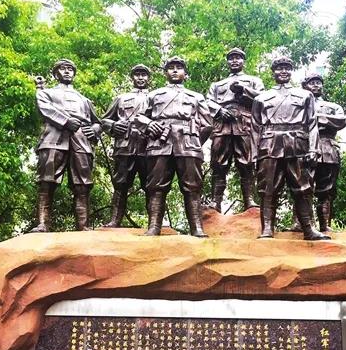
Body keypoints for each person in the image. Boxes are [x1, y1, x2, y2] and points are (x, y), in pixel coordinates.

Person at [134, 56, 213, 237]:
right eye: (171, 68)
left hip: (188, 142)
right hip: (159, 142)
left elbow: (207, 125)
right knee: (156, 186)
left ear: (185, 73)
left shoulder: (196, 97)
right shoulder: (154, 95)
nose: (175, 70)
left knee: (192, 186)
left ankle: (197, 228)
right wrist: (149, 124)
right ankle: (154, 227)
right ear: (165, 73)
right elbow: (139, 117)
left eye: (179, 67)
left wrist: (194, 142)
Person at [252, 56, 325, 240]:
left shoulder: (305, 95)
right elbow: (255, 128)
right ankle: (267, 229)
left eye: (287, 68)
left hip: (297, 144)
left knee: (303, 187)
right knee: (268, 188)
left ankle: (308, 229)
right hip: (269, 144)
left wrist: (314, 149)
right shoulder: (261, 98)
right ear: (273, 72)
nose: (283, 71)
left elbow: (312, 124)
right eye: (279, 68)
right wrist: (253, 155)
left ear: (291, 71)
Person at [31, 59, 102, 232]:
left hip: (81, 138)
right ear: (56, 74)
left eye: (70, 69)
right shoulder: (47, 93)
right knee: (46, 181)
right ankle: (43, 224)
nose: (67, 71)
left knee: (83, 184)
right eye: (63, 69)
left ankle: (83, 226)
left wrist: (94, 130)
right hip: (54, 136)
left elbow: (97, 122)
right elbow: (44, 108)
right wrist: (65, 120)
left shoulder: (84, 100)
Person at [206, 48, 265, 212]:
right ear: (227, 61)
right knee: (218, 162)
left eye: (238, 58)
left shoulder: (253, 81)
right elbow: (207, 102)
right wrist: (219, 110)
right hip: (222, 124)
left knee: (246, 162)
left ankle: (249, 200)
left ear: (243, 61)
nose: (234, 61)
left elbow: (263, 99)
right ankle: (215, 201)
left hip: (244, 122)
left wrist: (244, 90)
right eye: (231, 58)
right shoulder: (217, 85)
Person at [290, 73, 346, 236]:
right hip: (304, 147)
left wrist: (317, 118)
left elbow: (341, 121)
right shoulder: (298, 105)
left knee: (327, 189)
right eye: (312, 82)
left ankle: (325, 225)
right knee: (302, 186)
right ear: (304, 86)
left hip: (328, 148)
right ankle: (299, 223)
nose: (316, 85)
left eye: (318, 82)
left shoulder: (333, 106)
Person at [101, 64, 152, 227]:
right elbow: (104, 120)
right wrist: (113, 126)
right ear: (132, 77)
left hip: (148, 146)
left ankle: (154, 223)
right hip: (125, 145)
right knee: (120, 184)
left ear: (149, 78)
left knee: (151, 185)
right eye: (137, 74)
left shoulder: (155, 98)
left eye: (144, 74)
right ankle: (114, 221)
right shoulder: (121, 98)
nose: (140, 78)